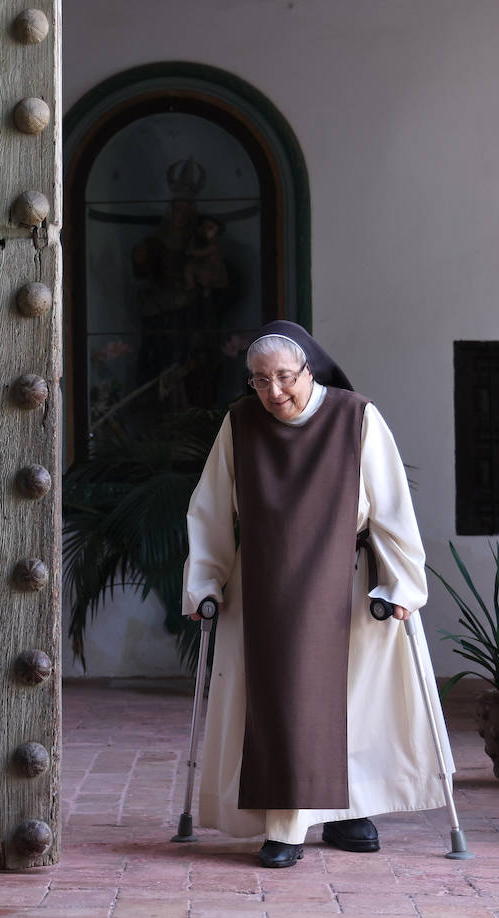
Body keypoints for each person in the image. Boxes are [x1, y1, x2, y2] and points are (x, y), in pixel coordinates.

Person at [181, 320, 454, 869]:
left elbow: (392, 508)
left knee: (354, 702)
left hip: (347, 584)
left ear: (310, 368)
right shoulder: (240, 424)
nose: (275, 392)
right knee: (281, 703)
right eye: (260, 381)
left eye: (286, 377)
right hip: (264, 586)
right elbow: (211, 510)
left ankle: (349, 810)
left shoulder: (356, 417)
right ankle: (285, 822)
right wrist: (206, 582)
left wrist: (402, 583)